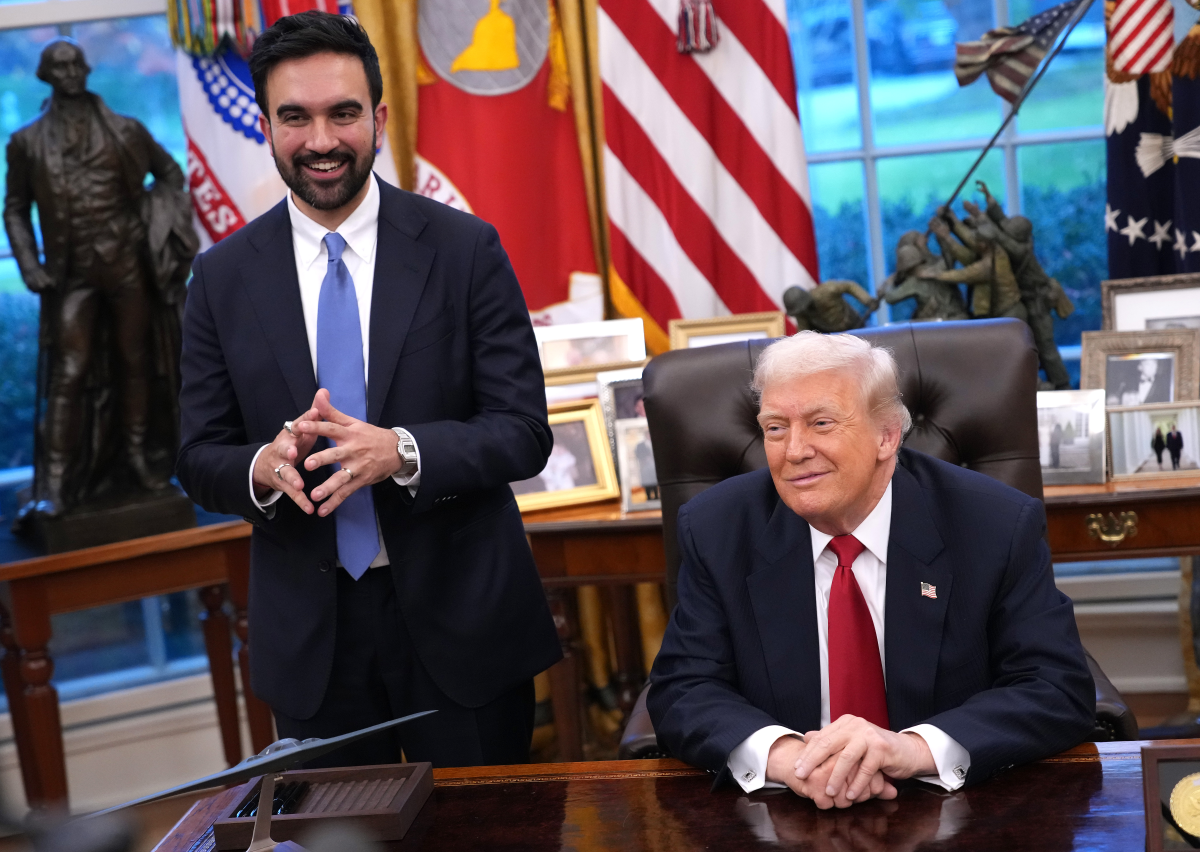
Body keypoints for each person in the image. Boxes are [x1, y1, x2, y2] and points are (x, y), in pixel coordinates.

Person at [175, 11, 561, 768]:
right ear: (266, 126)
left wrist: (403, 451)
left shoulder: (465, 249)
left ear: (379, 119)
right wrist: (263, 465)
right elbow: (196, 454)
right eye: (296, 117)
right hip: (315, 645)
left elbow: (523, 429)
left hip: (465, 631)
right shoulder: (220, 279)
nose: (321, 140)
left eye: (342, 113)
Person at [647, 331, 1095, 808]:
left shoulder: (995, 525)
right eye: (775, 428)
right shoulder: (718, 529)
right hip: (783, 807)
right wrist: (788, 758)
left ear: (887, 435)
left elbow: (1054, 686)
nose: (793, 450)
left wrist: (912, 748)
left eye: (821, 423)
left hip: (951, 803)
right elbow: (683, 689)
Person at [4, 39, 193, 517]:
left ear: (86, 69)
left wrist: (157, 225)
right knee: (69, 373)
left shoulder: (126, 131)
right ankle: (56, 484)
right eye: (59, 66)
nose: (69, 72)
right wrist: (29, 265)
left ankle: (140, 461)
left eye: (75, 64)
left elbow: (170, 175)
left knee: (136, 362)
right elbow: (14, 209)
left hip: (128, 266)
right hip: (72, 277)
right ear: (47, 75)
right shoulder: (26, 143)